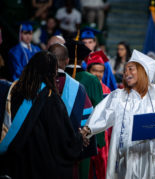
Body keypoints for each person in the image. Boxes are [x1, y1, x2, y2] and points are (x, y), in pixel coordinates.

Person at [84, 49, 155, 178]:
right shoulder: (118, 96)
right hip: (124, 161)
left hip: (150, 161)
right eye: (125, 70)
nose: (126, 73)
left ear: (142, 72)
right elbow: (102, 114)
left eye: (131, 69)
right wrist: (87, 129)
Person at [0, 51, 86, 179]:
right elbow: (63, 140)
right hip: (40, 165)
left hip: (17, 165)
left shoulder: (13, 91)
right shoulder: (50, 98)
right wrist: (79, 138)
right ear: (52, 72)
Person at [64, 40, 104, 179]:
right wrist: (99, 140)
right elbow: (98, 109)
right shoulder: (91, 79)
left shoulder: (57, 77)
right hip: (84, 136)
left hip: (59, 134)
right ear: (84, 59)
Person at [86, 50, 111, 179]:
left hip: (103, 134)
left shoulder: (107, 90)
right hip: (87, 131)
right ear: (88, 70)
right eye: (95, 70)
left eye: (101, 71)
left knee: (103, 167)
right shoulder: (83, 87)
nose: (98, 74)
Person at [80, 27, 117, 91]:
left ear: (95, 43)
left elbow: (110, 81)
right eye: (84, 43)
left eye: (90, 42)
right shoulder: (78, 61)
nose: (87, 45)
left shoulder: (103, 61)